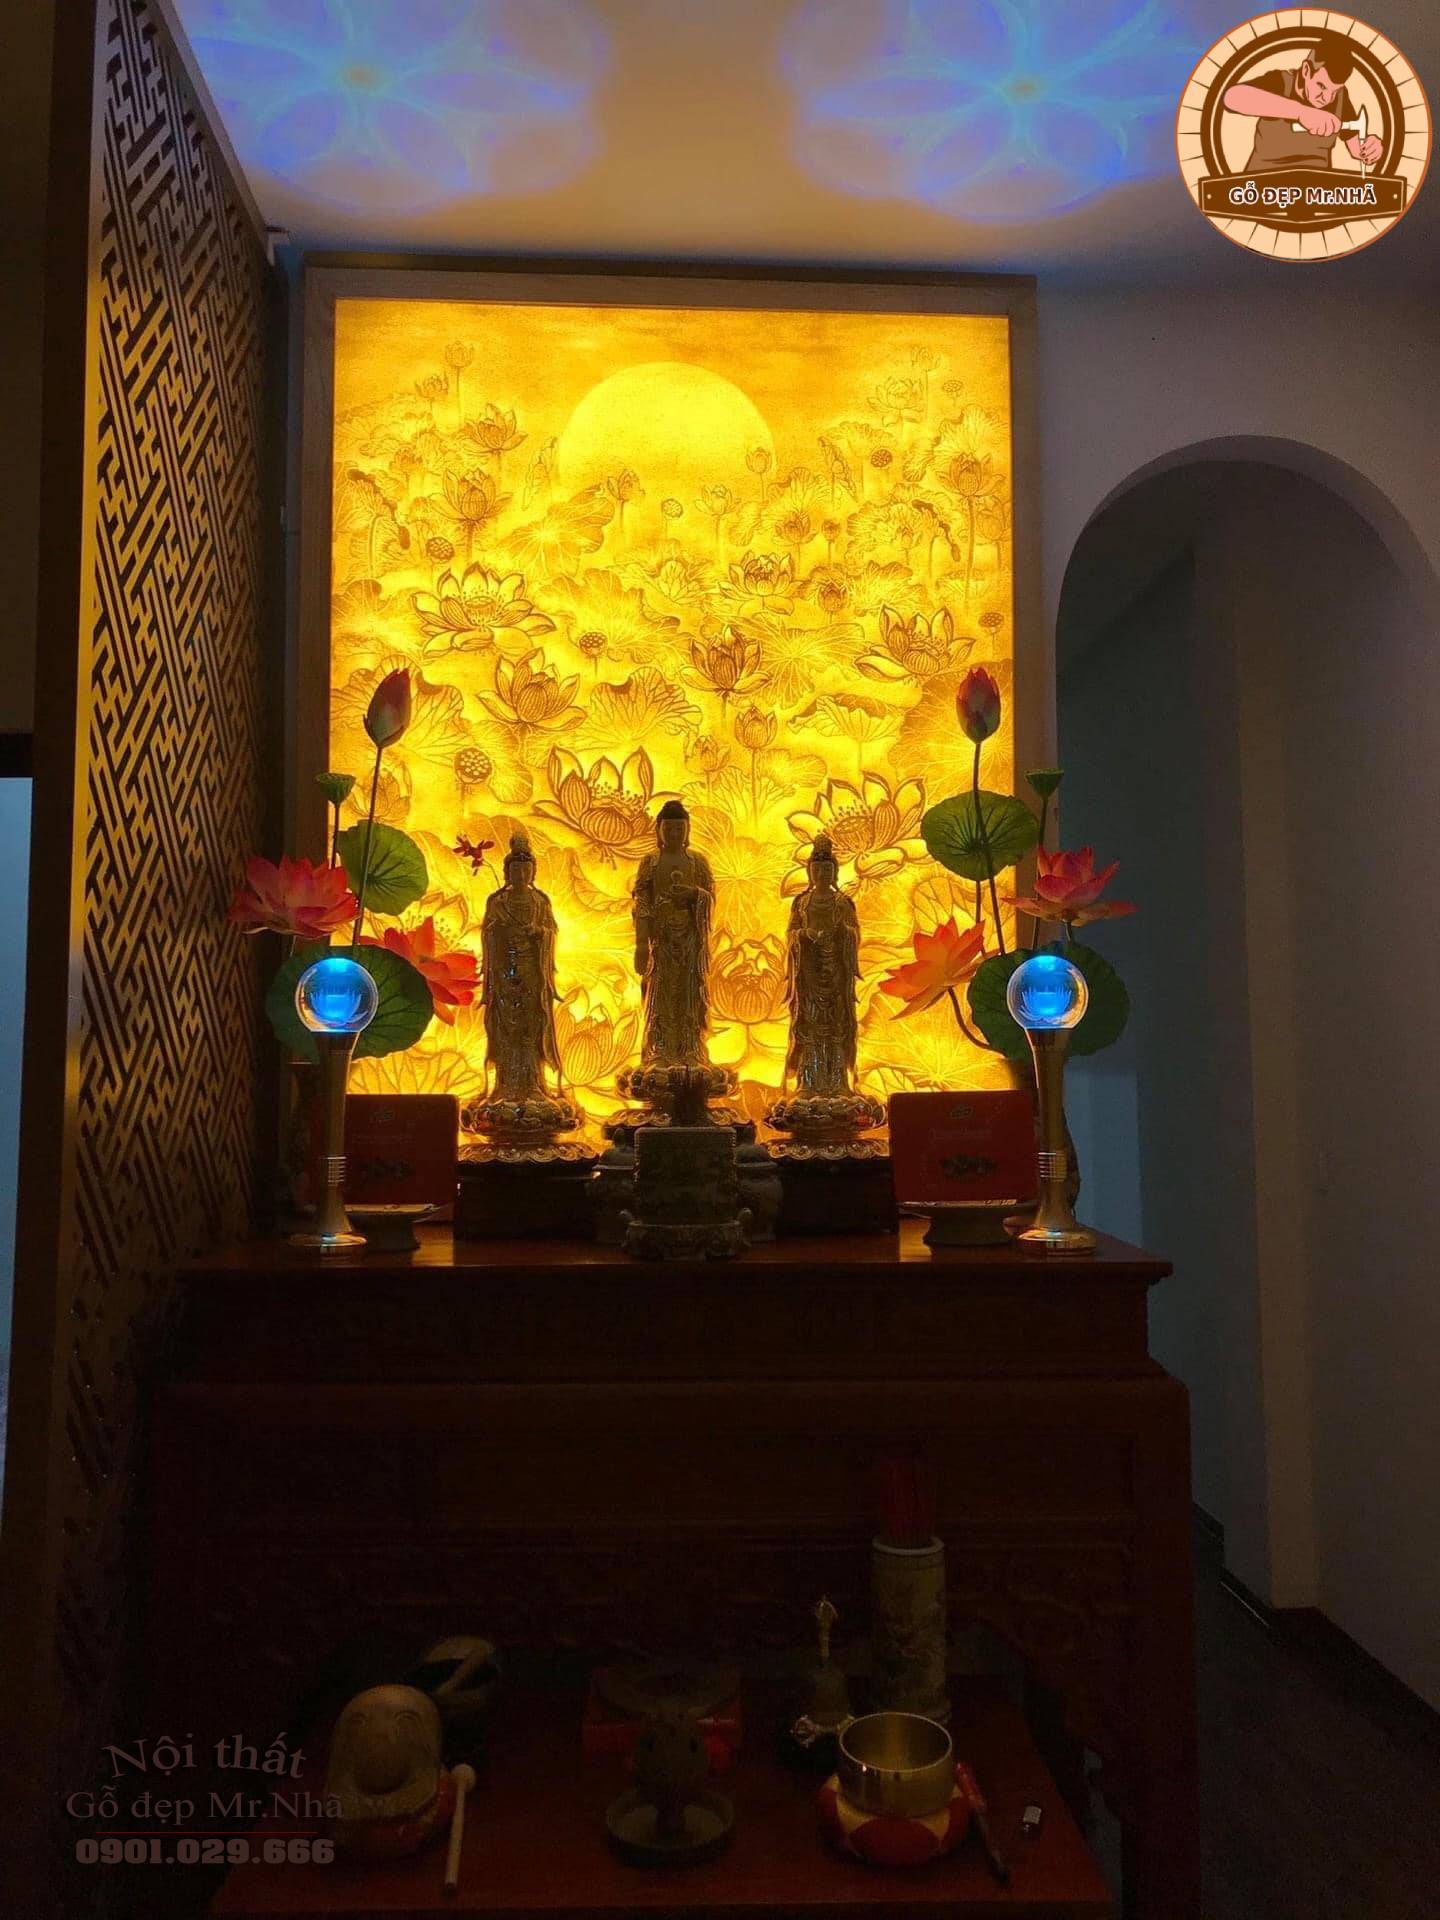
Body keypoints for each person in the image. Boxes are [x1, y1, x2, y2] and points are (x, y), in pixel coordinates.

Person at [1223, 31, 1382, 174]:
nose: (1327, 98)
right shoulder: (1280, 82)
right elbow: (1232, 97)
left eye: (1334, 91)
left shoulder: (1341, 96)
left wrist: (1370, 149)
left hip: (1314, 189)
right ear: (1306, 70)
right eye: (1321, 86)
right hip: (1264, 184)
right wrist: (1301, 112)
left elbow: (1355, 148)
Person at [632, 800, 715, 1068]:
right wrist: (641, 943)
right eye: (669, 828)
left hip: (690, 941)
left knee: (689, 996)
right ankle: (659, 1049)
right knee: (661, 995)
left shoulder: (697, 863)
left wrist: (694, 895)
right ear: (659, 830)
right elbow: (642, 903)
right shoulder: (650, 863)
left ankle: (691, 1048)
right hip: (661, 941)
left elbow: (711, 898)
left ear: (687, 830)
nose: (675, 833)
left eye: (680, 828)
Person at [480, 830, 562, 1100]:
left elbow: (551, 931)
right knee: (507, 1028)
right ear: (507, 872)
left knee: (531, 1027)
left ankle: (533, 1083)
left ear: (533, 872)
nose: (521, 875)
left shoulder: (540, 902)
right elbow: (487, 931)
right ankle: (506, 1084)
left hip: (532, 971)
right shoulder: (497, 902)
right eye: (516, 870)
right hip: (505, 972)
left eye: (526, 870)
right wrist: (498, 930)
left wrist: (539, 933)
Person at [783, 832, 861, 1097]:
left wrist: (841, 933)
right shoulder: (802, 902)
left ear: (835, 872)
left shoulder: (842, 902)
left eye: (827, 869)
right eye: (817, 869)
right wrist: (804, 935)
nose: (822, 874)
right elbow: (791, 932)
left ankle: (838, 1081)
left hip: (835, 971)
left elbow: (854, 932)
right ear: (810, 872)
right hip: (809, 971)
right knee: (810, 1025)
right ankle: (808, 1081)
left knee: (836, 1026)